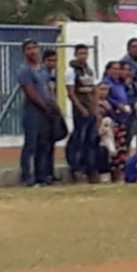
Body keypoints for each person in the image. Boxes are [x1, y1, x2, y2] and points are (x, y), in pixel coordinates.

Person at [18, 40, 58, 187]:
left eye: (35, 48)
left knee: (44, 143)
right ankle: (27, 176)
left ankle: (42, 175)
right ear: (24, 52)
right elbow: (30, 92)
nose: (33, 51)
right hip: (33, 111)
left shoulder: (42, 69)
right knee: (31, 144)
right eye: (29, 48)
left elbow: (48, 87)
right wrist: (43, 106)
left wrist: (52, 104)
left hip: (46, 110)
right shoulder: (25, 70)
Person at [65, 44, 96, 181]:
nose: (83, 56)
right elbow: (71, 93)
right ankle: (76, 168)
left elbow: (94, 89)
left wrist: (95, 108)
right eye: (81, 53)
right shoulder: (71, 71)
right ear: (76, 54)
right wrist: (80, 108)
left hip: (90, 109)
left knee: (90, 140)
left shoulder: (89, 70)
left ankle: (89, 167)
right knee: (79, 139)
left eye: (85, 53)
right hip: (80, 110)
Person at [103, 61, 132, 181]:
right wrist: (117, 105)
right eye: (114, 69)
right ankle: (113, 172)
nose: (117, 71)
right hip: (113, 117)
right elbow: (106, 97)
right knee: (113, 146)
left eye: (118, 69)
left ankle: (120, 171)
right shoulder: (107, 83)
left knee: (122, 146)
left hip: (123, 117)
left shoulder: (120, 83)